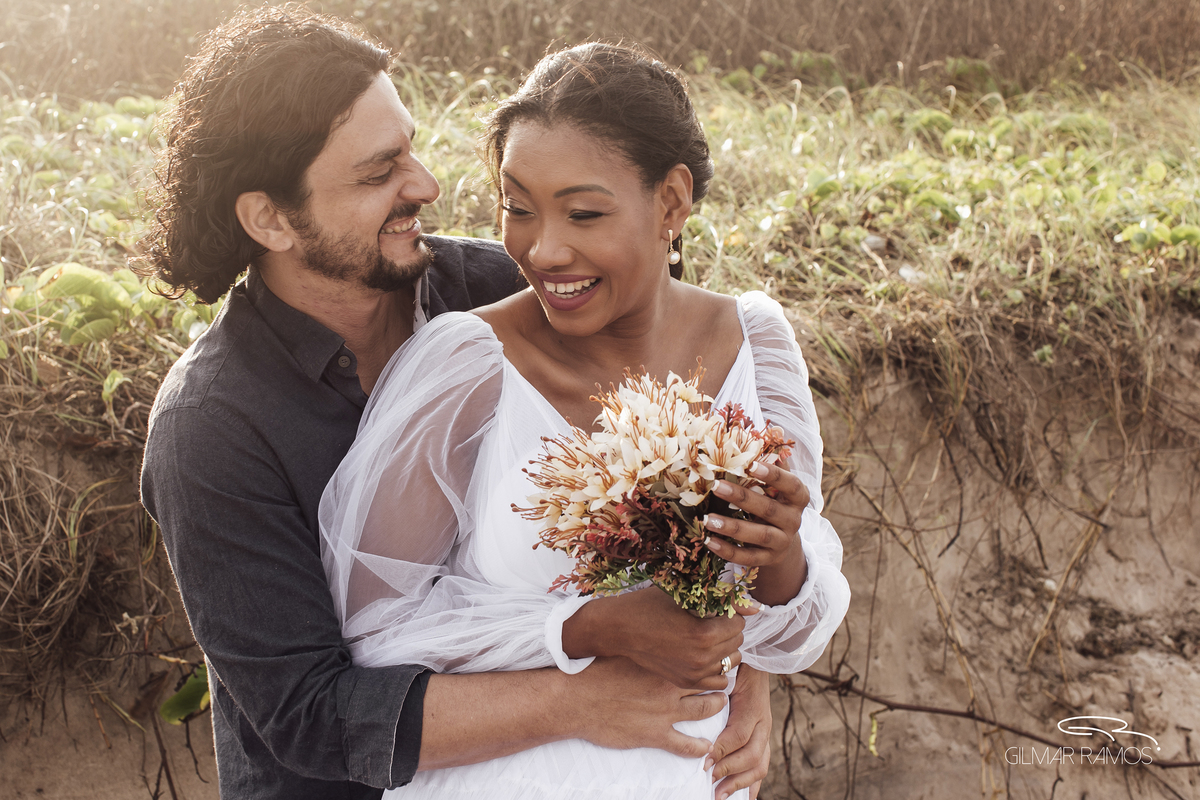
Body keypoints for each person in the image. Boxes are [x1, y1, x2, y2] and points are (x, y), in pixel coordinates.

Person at [137, 6, 775, 799]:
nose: (426, 187)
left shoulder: (502, 292)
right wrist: (580, 701)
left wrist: (740, 669)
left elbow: (667, 516)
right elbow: (310, 713)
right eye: (378, 173)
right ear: (270, 218)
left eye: (409, 148)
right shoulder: (210, 429)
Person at [319, 42, 852, 799]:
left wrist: (780, 554)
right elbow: (373, 635)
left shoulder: (754, 345)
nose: (543, 249)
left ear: (671, 202)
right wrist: (582, 630)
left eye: (585, 212)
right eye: (518, 208)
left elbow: (790, 631)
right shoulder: (467, 364)